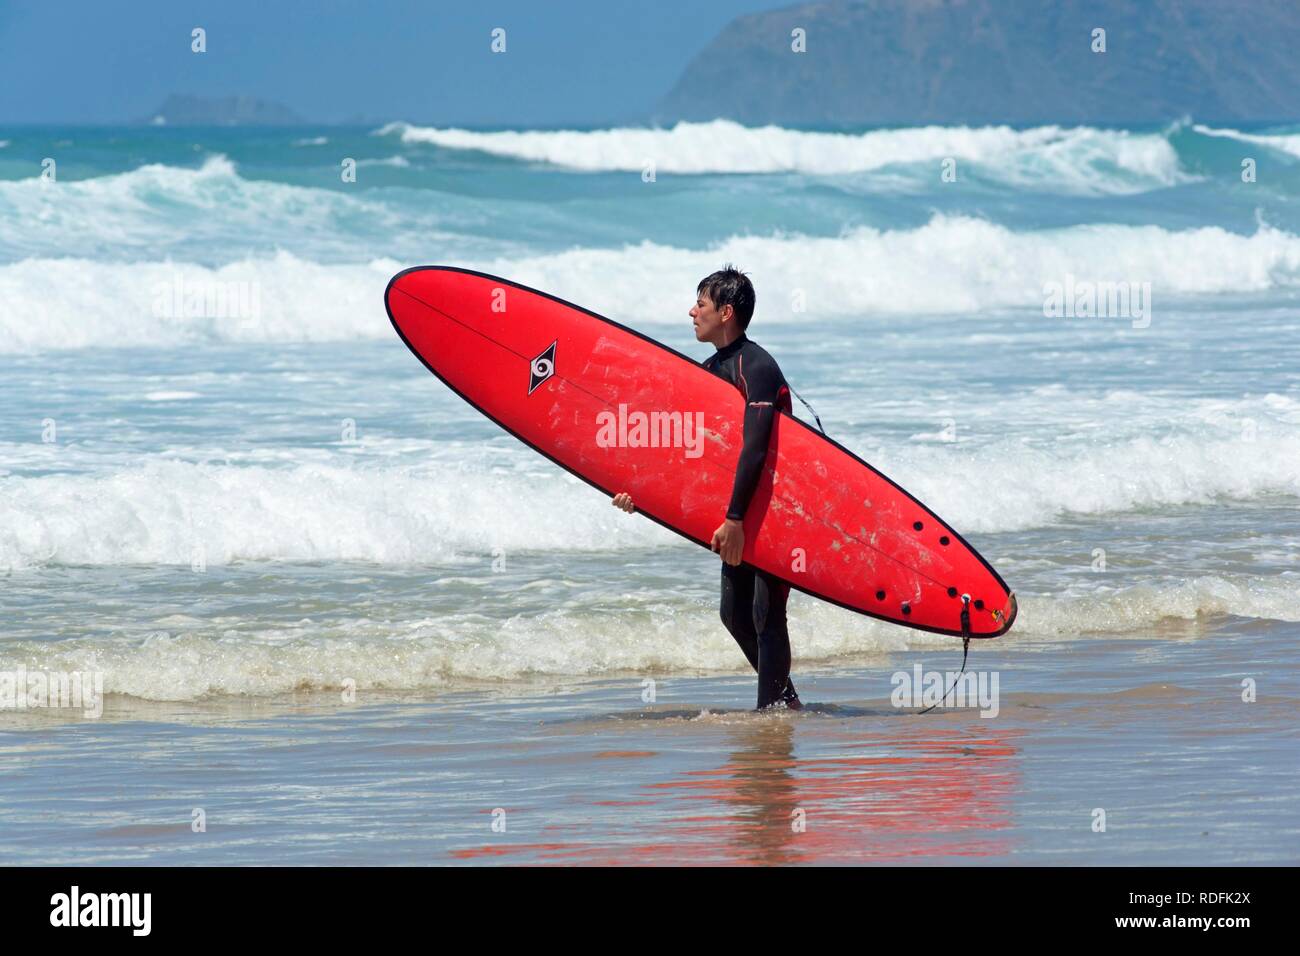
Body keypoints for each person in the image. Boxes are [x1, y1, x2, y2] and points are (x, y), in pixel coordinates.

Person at [612, 265, 801, 711]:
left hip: (774, 504)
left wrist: (735, 519)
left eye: (701, 303)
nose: (692, 311)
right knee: (733, 614)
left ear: (727, 312)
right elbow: (688, 454)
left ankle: (771, 714)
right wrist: (640, 495)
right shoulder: (709, 371)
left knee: (766, 614)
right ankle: (784, 704)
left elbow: (755, 448)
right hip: (736, 507)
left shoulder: (757, 366)